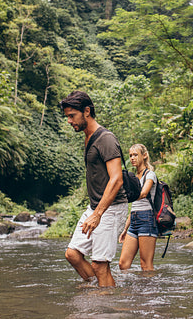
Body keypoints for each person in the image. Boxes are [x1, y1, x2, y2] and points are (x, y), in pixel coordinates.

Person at [60, 91, 128, 287]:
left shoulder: (105, 139)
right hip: (96, 207)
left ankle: (108, 304)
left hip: (111, 208)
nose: (69, 121)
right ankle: (100, 290)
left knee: (100, 265)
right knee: (72, 254)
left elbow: (117, 179)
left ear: (87, 111)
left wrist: (98, 214)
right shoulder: (88, 137)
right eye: (67, 117)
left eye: (72, 115)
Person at [118, 144, 158, 271]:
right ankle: (131, 290)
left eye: (135, 155)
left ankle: (148, 290)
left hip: (147, 219)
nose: (132, 158)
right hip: (134, 220)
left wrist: (124, 198)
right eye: (130, 155)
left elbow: (144, 193)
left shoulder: (150, 174)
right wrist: (125, 229)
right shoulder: (134, 177)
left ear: (144, 155)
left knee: (145, 265)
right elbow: (135, 206)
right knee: (123, 264)